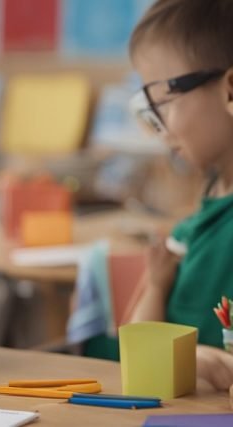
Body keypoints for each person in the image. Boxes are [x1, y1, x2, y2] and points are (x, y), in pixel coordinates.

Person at [126, 0, 233, 392]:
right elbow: (137, 346)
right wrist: (156, 285)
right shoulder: (202, 215)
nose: (159, 128)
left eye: (163, 101)